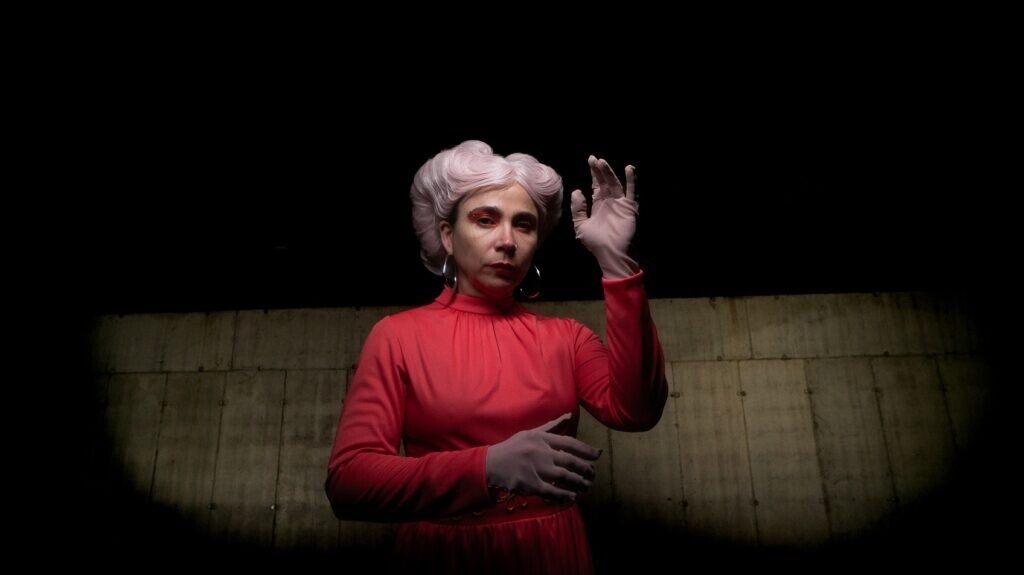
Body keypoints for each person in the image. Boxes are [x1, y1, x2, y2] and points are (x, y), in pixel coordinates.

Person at [325, 140, 667, 573]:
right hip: (442, 557)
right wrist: (485, 467)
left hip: (552, 555)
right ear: (447, 235)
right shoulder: (398, 336)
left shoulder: (567, 338)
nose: (507, 241)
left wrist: (616, 262)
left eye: (524, 225)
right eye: (485, 220)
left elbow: (637, 411)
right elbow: (349, 484)